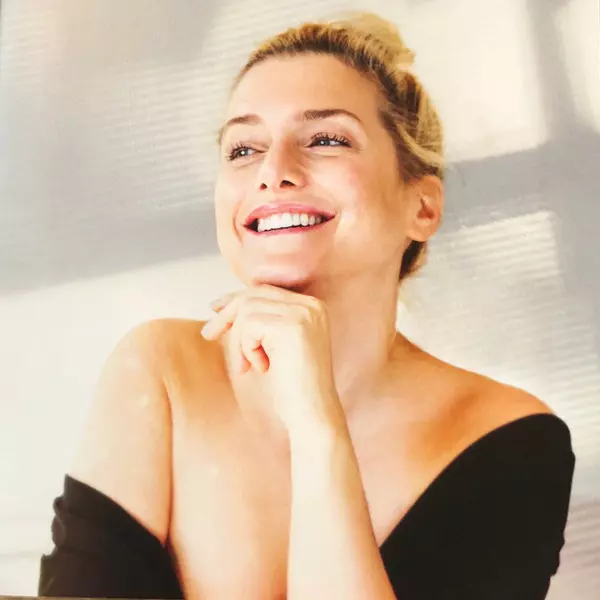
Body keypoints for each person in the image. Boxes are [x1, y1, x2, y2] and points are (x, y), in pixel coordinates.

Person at [38, 12, 575, 600]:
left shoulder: (509, 439)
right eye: (243, 148)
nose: (273, 173)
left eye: (326, 140)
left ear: (421, 207)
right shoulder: (161, 372)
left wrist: (318, 427)